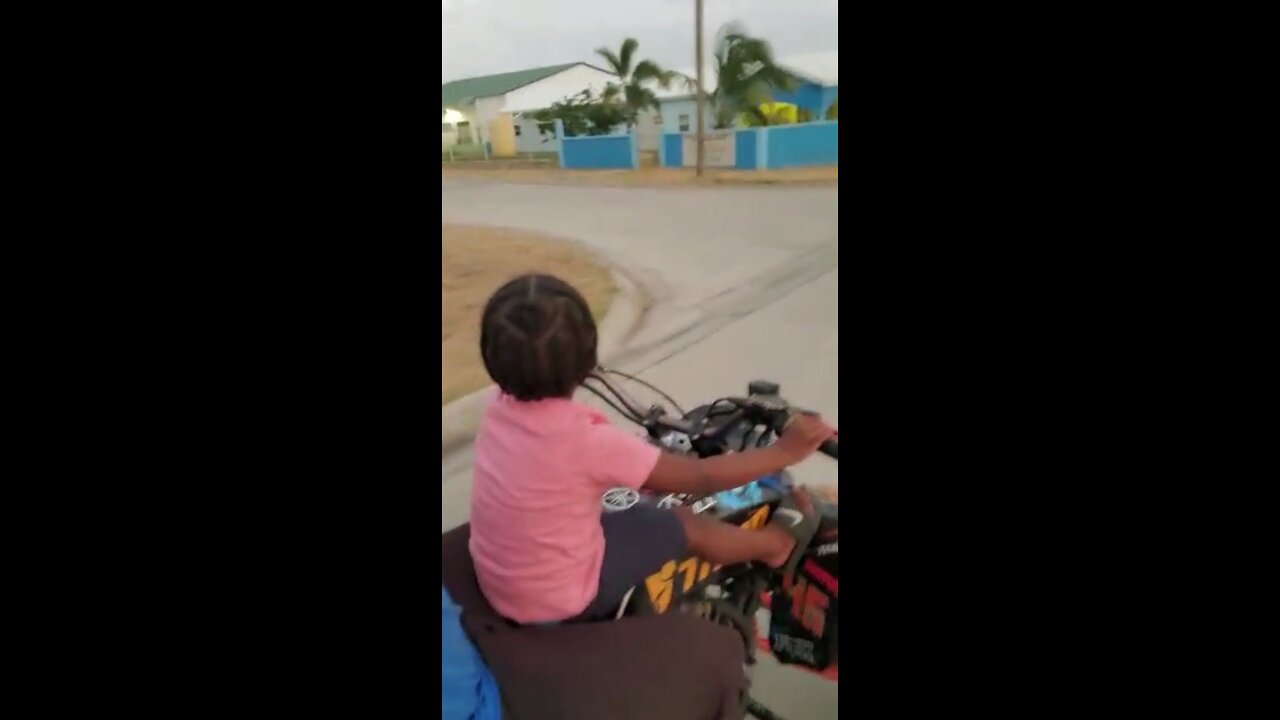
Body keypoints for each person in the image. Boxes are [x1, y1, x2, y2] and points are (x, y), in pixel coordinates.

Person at [469, 273, 835, 625]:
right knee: (680, 520)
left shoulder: (496, 411)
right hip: (559, 598)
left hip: (502, 583)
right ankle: (773, 546)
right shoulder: (587, 441)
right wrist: (786, 451)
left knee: (628, 510)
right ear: (589, 352)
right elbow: (701, 477)